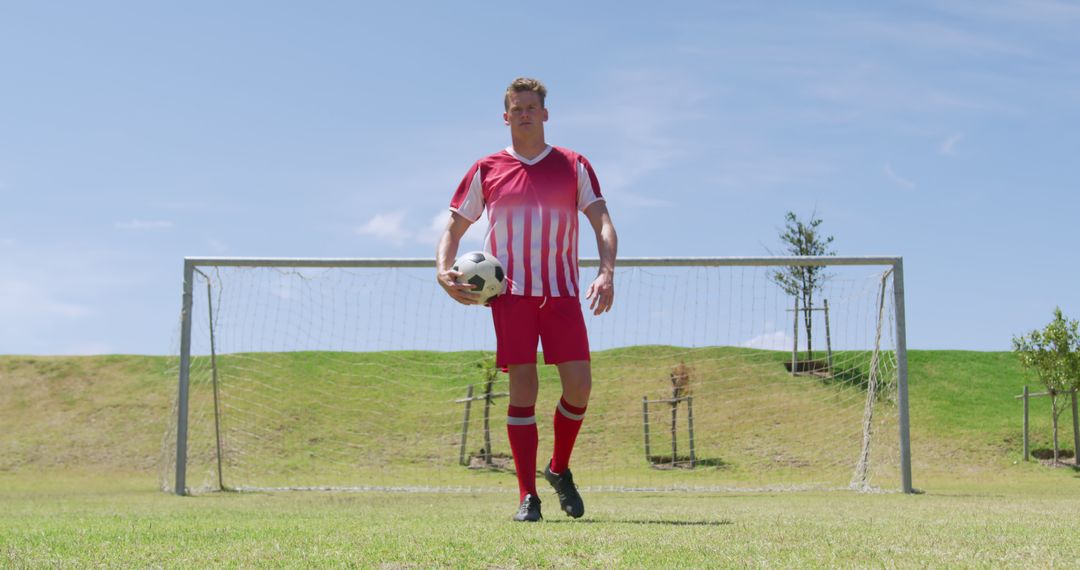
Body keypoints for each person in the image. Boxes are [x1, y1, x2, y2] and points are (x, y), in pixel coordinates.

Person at [436, 77, 618, 522]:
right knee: (524, 389)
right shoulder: (487, 169)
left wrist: (606, 271)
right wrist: (443, 270)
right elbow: (454, 230)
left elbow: (603, 223)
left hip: (561, 293)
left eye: (531, 107)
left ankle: (558, 468)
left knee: (579, 386)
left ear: (545, 113)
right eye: (516, 108)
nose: (524, 114)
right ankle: (527, 496)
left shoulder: (573, 164)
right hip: (511, 296)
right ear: (506, 116)